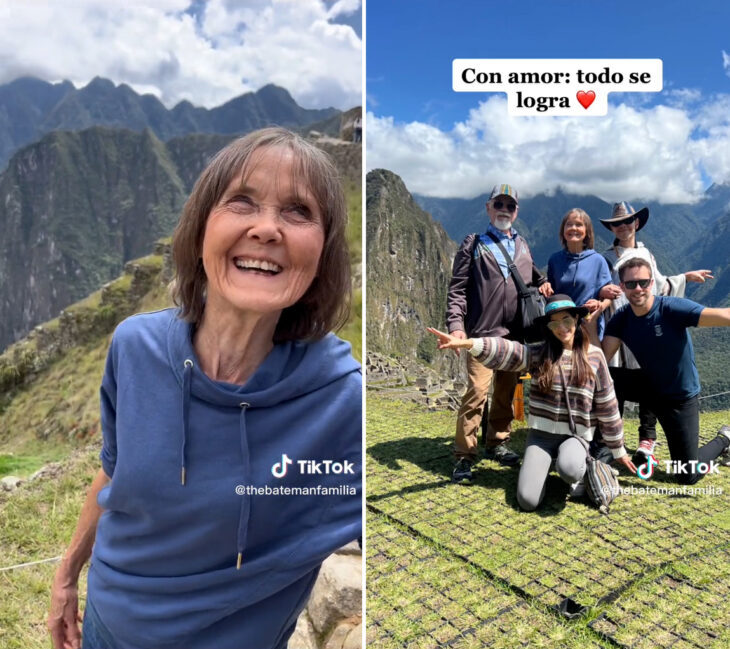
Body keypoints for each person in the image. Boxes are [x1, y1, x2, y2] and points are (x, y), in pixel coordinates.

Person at [48, 127, 362, 649]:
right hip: (107, 624)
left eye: (297, 211)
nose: (266, 229)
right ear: (200, 229)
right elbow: (114, 470)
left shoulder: (339, 404)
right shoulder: (134, 348)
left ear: (323, 253)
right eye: (242, 201)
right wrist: (66, 576)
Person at [428, 294, 636, 511]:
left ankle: (574, 472)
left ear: (576, 319)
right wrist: (468, 343)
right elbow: (506, 350)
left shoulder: (594, 356)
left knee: (571, 468)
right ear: (548, 326)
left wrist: (618, 449)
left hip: (575, 435)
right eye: (554, 322)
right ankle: (540, 471)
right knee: (527, 501)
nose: (562, 327)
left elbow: (607, 404)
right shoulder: (539, 354)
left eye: (566, 320)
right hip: (541, 436)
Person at [445, 184, 553, 484]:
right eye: (499, 204)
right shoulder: (474, 244)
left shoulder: (522, 245)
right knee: (477, 393)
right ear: (488, 208)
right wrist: (456, 326)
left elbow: (532, 274)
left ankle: (498, 441)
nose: (504, 210)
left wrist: (543, 283)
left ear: (516, 211)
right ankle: (464, 456)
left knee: (505, 393)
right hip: (481, 334)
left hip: (514, 336)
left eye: (510, 206)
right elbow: (458, 290)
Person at [599, 202, 713, 466]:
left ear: (636, 223)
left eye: (628, 221)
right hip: (622, 324)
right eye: (618, 223)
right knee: (615, 380)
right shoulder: (605, 257)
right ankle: (609, 439)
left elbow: (659, 286)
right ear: (612, 228)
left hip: (647, 327)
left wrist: (684, 277)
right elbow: (601, 287)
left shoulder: (647, 254)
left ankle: (646, 439)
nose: (624, 226)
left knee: (651, 376)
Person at [602, 256, 730, 484]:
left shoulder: (671, 308)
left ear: (652, 282)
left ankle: (724, 439)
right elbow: (600, 360)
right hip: (649, 388)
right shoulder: (621, 319)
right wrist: (590, 323)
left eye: (643, 282)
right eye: (631, 284)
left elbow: (722, 316)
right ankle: (602, 444)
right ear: (622, 287)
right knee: (604, 377)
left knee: (687, 475)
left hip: (680, 397)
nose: (638, 288)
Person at [546, 208, 620, 339]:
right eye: (569, 224)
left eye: (579, 224)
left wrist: (600, 306)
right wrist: (544, 285)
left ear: (587, 232)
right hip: (562, 327)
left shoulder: (597, 260)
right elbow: (551, 293)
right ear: (563, 230)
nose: (573, 228)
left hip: (589, 325)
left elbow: (609, 295)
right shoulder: (554, 260)